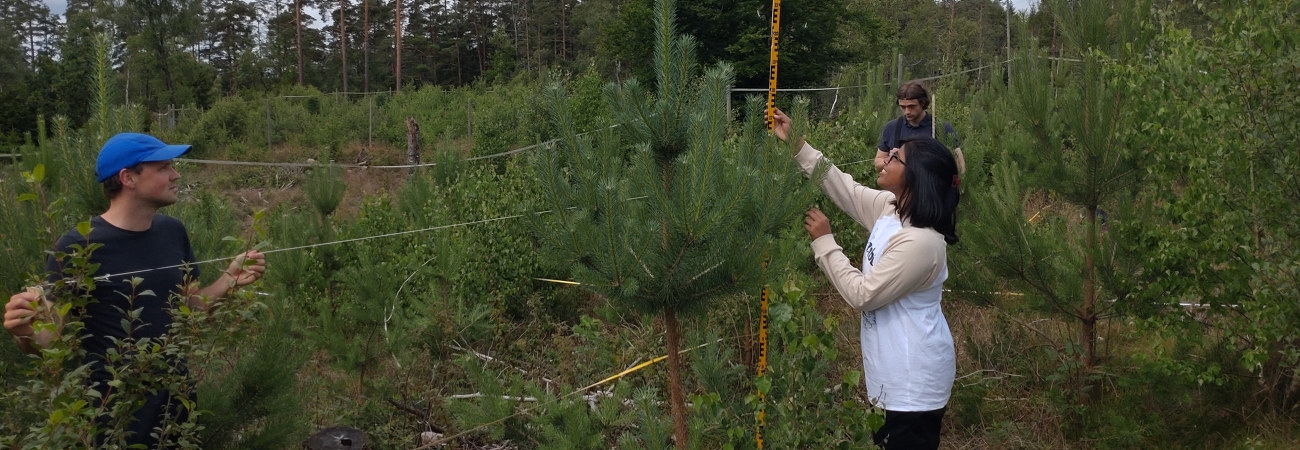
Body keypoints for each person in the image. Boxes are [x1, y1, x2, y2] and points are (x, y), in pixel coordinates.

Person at [3, 132, 266, 447]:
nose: (176, 174)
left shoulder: (173, 232)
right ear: (128, 177)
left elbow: (190, 305)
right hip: (115, 412)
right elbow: (51, 339)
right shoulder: (77, 246)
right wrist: (25, 332)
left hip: (176, 402)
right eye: (164, 167)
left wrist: (228, 279)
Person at [773, 109, 960, 450]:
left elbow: (863, 294)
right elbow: (845, 188)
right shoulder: (893, 208)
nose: (886, 156)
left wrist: (825, 242)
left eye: (897, 157)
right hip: (894, 377)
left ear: (914, 176)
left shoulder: (921, 242)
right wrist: (798, 145)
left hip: (913, 383)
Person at [875, 80, 964, 174]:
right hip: (898, 187)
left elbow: (960, 166)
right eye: (903, 107)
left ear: (923, 103)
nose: (907, 112)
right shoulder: (891, 128)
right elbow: (877, 164)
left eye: (911, 106)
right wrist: (891, 159)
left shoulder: (941, 128)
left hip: (931, 186)